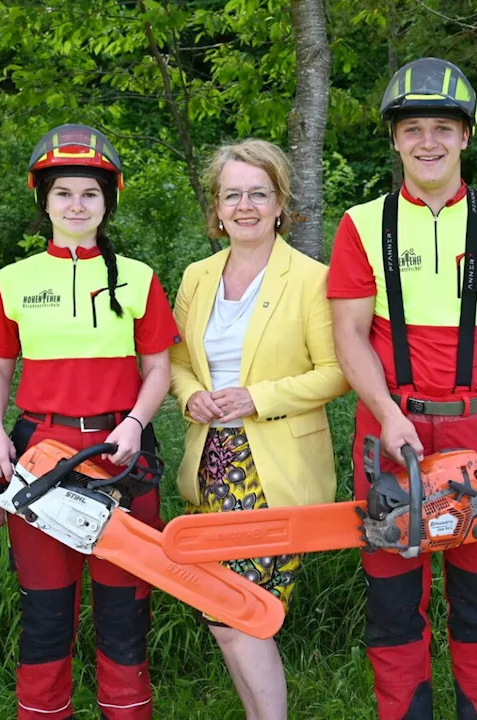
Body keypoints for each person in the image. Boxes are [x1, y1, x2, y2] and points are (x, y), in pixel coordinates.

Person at [328, 58, 477, 719]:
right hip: (388, 434)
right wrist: (386, 413)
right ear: (395, 139)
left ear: (467, 136)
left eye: (444, 129)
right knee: (395, 608)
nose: (429, 142)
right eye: (414, 129)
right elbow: (349, 336)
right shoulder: (361, 224)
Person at [0, 124, 178, 720]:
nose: (76, 204)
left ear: (107, 201)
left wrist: (137, 423)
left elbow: (159, 368)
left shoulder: (138, 277)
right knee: (45, 608)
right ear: (44, 201)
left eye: (90, 193)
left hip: (122, 452)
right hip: (38, 453)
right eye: (64, 193)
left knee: (124, 608)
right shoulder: (12, 281)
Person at [169, 139, 348, 719]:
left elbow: (338, 372)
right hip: (213, 463)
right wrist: (193, 395)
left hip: (273, 468)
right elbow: (175, 361)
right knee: (223, 611)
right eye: (232, 194)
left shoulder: (312, 278)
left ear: (280, 203)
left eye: (258, 194)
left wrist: (255, 398)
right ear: (217, 209)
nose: (245, 205)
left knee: (237, 609)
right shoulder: (196, 277)